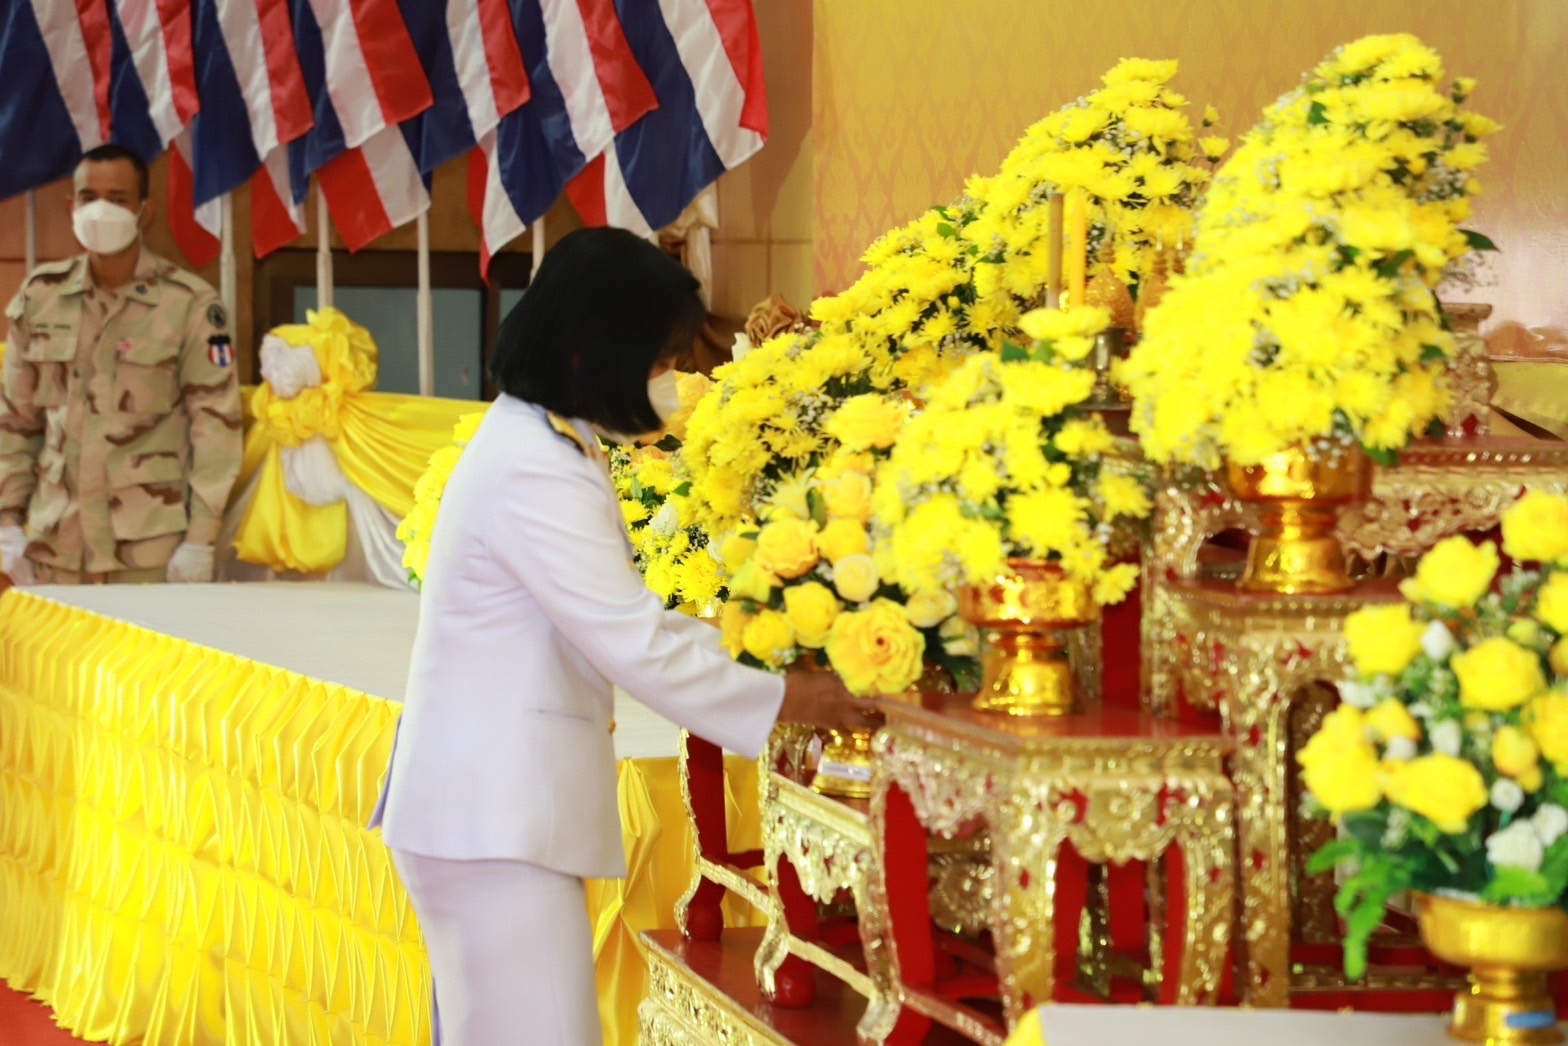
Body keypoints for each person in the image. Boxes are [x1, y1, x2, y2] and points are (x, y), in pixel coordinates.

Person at [371, 228, 862, 1045]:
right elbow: (631, 639)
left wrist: (740, 648)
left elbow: (625, 621)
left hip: (491, 814)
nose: (669, 380)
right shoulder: (534, 464)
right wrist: (789, 697)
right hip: (492, 818)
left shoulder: (551, 441)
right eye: (659, 359)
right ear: (590, 352)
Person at [0, 144, 242, 585]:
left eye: (117, 198)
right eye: (89, 198)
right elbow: (16, 421)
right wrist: (6, 523)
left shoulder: (188, 304)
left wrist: (200, 541)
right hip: (53, 546)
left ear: (143, 211)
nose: (100, 210)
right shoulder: (40, 296)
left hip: (147, 552)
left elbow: (216, 429)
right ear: (72, 206)